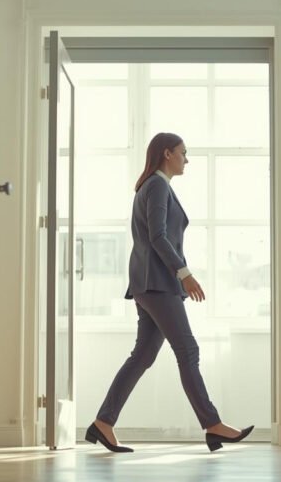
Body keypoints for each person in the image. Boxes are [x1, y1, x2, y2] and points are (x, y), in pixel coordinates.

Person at [85, 132, 254, 453]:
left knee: (143, 356)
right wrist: (184, 274)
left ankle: (103, 422)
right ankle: (213, 425)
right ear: (167, 154)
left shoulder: (152, 186)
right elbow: (158, 236)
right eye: (183, 153)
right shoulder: (158, 185)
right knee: (187, 350)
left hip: (149, 282)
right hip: (158, 282)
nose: (186, 159)